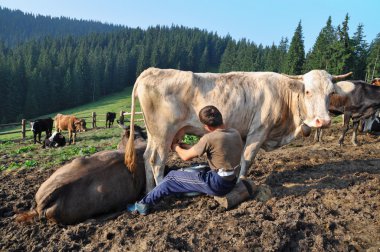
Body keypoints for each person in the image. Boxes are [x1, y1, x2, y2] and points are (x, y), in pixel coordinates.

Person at [128, 105, 243, 215]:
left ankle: (142, 205)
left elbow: (185, 157)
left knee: (171, 177)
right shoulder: (234, 132)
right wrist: (184, 146)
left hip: (218, 184)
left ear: (206, 127)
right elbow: (210, 150)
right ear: (220, 117)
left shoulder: (209, 138)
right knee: (199, 168)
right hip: (232, 179)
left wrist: (176, 147)